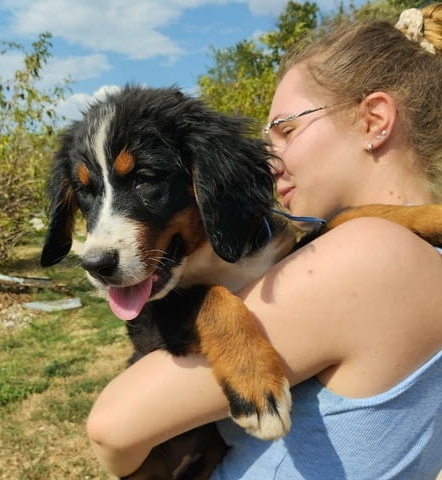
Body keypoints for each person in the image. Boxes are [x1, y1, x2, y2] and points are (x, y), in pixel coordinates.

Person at [86, 4, 442, 479]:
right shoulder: (413, 246)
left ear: (375, 120)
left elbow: (112, 429)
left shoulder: (369, 254)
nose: (269, 159)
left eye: (286, 129)